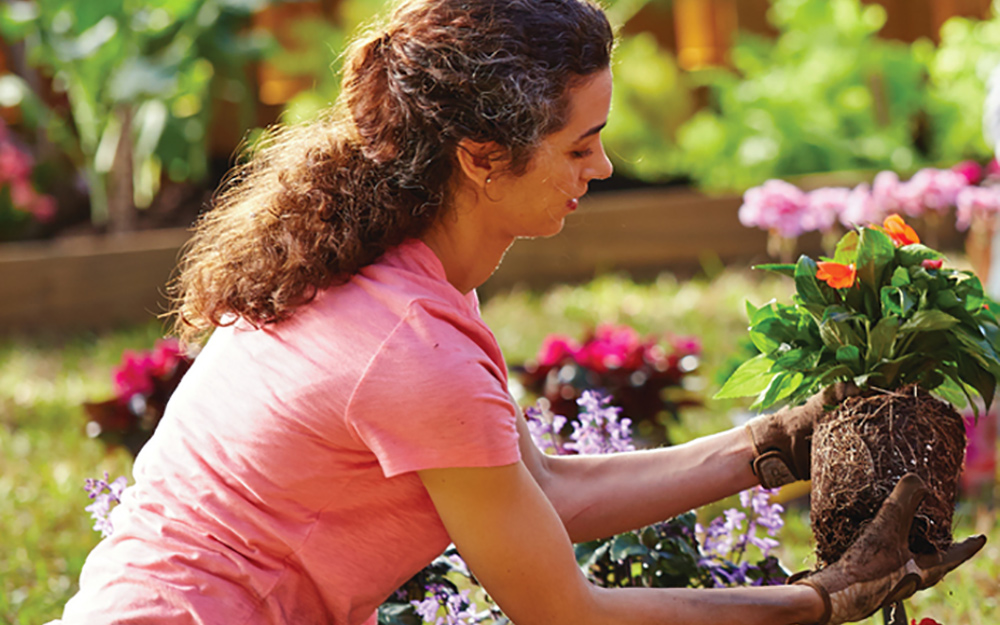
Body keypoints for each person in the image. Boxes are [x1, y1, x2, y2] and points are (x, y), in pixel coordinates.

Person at [51, 1, 984, 624]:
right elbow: (563, 613)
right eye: (581, 146)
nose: (605, 170)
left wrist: (775, 440)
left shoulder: (393, 276)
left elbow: (545, 497)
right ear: (482, 158)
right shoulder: (408, 347)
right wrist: (813, 601)